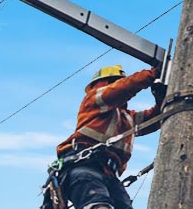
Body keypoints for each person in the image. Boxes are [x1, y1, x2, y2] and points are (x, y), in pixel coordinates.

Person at [45, 65, 164, 209]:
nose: (117, 84)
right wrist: (151, 74)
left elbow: (153, 119)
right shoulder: (93, 100)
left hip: (110, 175)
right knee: (98, 205)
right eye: (114, 82)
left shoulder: (126, 118)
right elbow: (119, 90)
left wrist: (162, 101)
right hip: (84, 167)